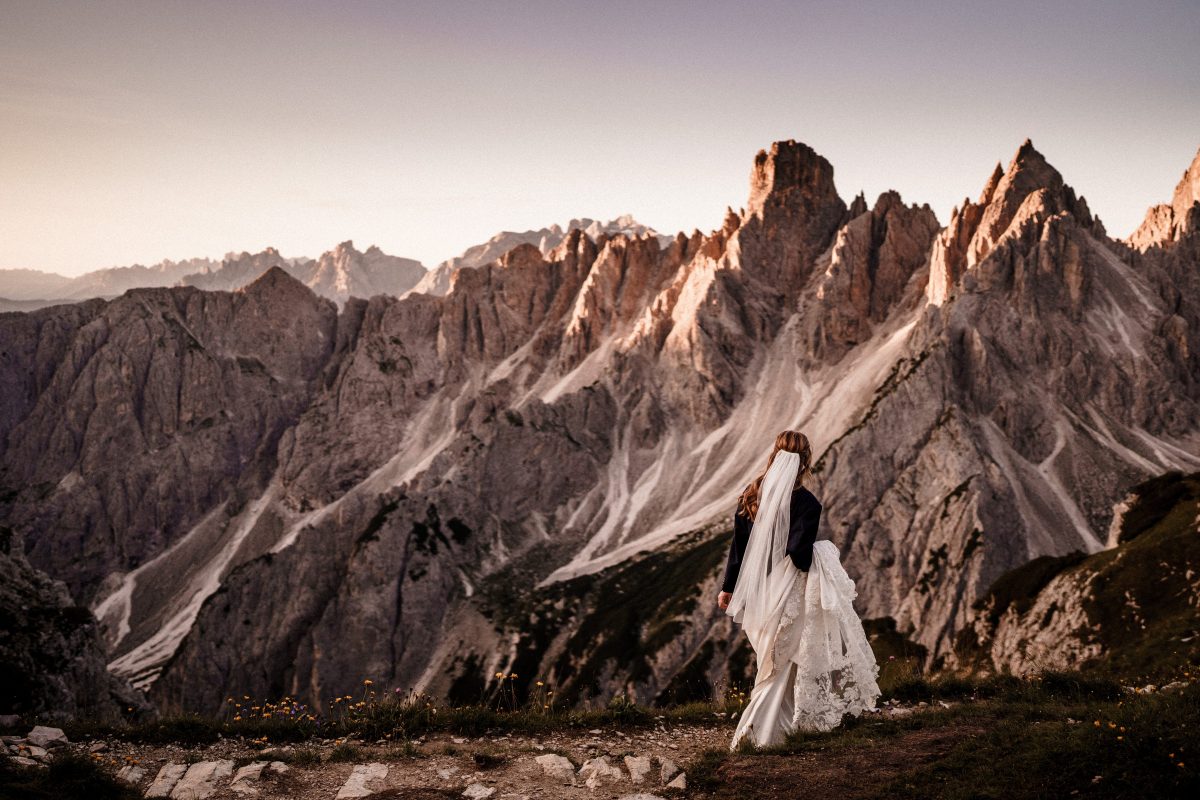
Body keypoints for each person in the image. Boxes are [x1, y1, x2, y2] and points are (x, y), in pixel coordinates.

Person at [718, 430, 880, 749]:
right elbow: (797, 552)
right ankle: (757, 734)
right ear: (805, 462)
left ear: (774, 455)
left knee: (775, 660)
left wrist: (728, 588)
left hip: (754, 594)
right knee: (782, 662)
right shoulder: (806, 502)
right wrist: (819, 555)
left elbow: (738, 547)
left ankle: (784, 726)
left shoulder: (750, 494)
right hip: (786, 591)